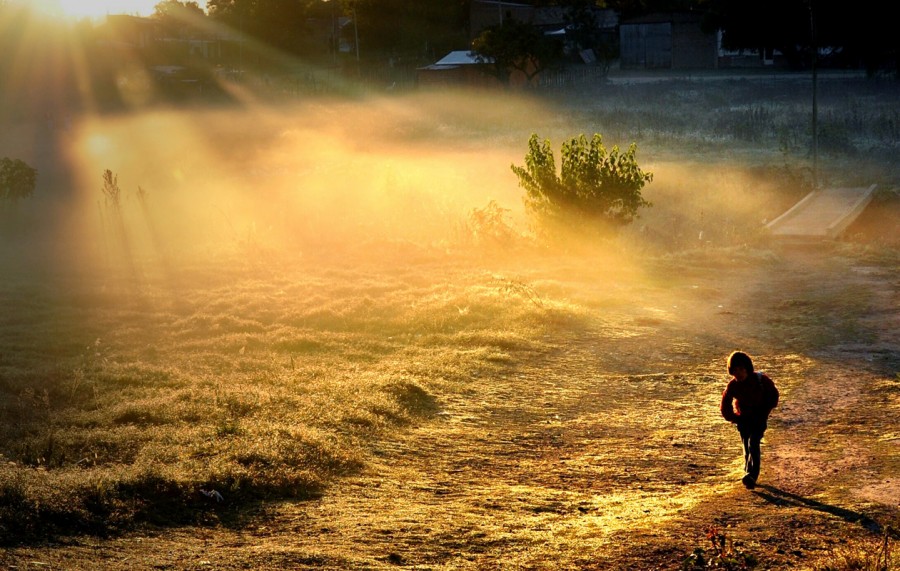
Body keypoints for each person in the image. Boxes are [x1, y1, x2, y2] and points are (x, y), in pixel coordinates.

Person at [720, 351, 779, 489]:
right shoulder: (733, 386)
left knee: (753, 443)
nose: (738, 373)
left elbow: (773, 396)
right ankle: (748, 473)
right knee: (746, 447)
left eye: (740, 369)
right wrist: (735, 418)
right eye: (734, 370)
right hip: (744, 420)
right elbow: (725, 404)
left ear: (747, 368)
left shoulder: (760, 380)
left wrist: (764, 412)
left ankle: (752, 475)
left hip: (759, 418)